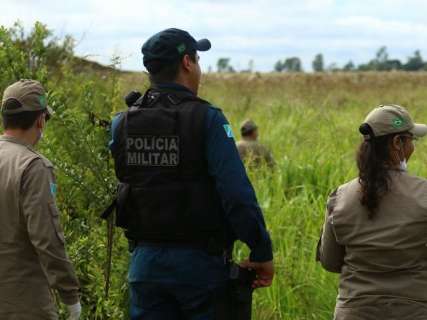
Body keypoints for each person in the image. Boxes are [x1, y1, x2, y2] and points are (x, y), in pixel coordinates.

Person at [109, 28, 274, 319]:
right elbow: (236, 194)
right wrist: (260, 250)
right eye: (197, 59)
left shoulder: (122, 123)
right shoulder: (207, 119)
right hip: (200, 269)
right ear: (187, 63)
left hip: (144, 267)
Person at [317, 104, 427, 320]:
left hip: (353, 311)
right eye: (411, 140)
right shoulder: (423, 194)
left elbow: (330, 262)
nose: (412, 148)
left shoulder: (340, 197)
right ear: (397, 143)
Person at [0, 80, 81, 320]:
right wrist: (70, 295)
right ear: (40, 120)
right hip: (23, 302)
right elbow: (46, 238)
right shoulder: (33, 166)